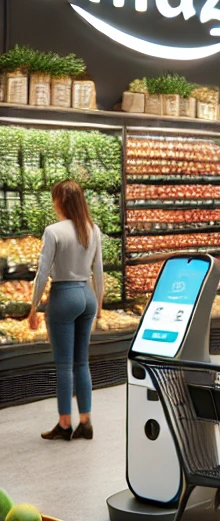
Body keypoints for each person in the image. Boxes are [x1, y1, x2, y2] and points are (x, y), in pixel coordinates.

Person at [28, 181, 103, 441]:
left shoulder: (53, 231)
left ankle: (64, 424)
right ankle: (86, 422)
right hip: (87, 296)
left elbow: (42, 273)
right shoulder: (92, 229)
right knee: (82, 362)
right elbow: (99, 271)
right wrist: (100, 304)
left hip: (64, 296)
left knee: (63, 366)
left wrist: (34, 307)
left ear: (59, 200)